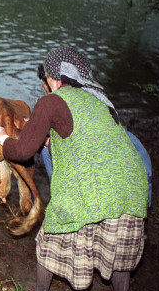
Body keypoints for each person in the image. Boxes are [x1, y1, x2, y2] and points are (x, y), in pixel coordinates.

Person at [0, 46, 148, 291]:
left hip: (96, 189)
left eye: (47, 75)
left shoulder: (51, 101)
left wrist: (2, 137)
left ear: (55, 77)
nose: (46, 81)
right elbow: (90, 140)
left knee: (51, 235)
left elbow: (21, 152)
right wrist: (48, 140)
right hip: (133, 188)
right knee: (116, 253)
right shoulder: (99, 100)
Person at [37, 64, 153, 207]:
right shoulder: (91, 95)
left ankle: (64, 201)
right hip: (137, 192)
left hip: (101, 198)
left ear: (51, 83)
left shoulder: (58, 103)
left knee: (46, 151)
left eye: (45, 86)